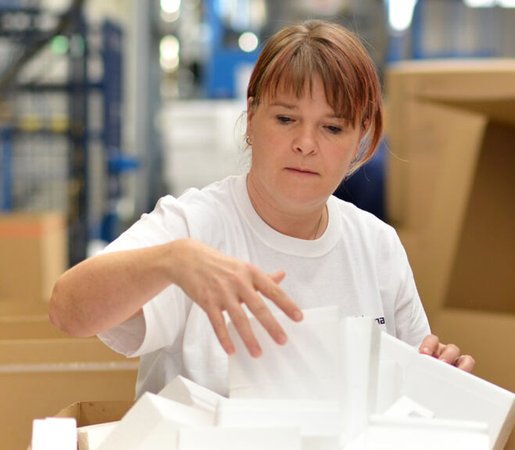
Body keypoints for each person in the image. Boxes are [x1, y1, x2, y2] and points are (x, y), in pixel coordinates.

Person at [49, 19, 475, 397]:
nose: (306, 143)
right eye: (286, 119)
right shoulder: (194, 226)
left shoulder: (376, 245)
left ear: (360, 137)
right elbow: (67, 310)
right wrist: (170, 261)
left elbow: (412, 390)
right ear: (251, 117)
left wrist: (438, 376)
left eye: (332, 127)